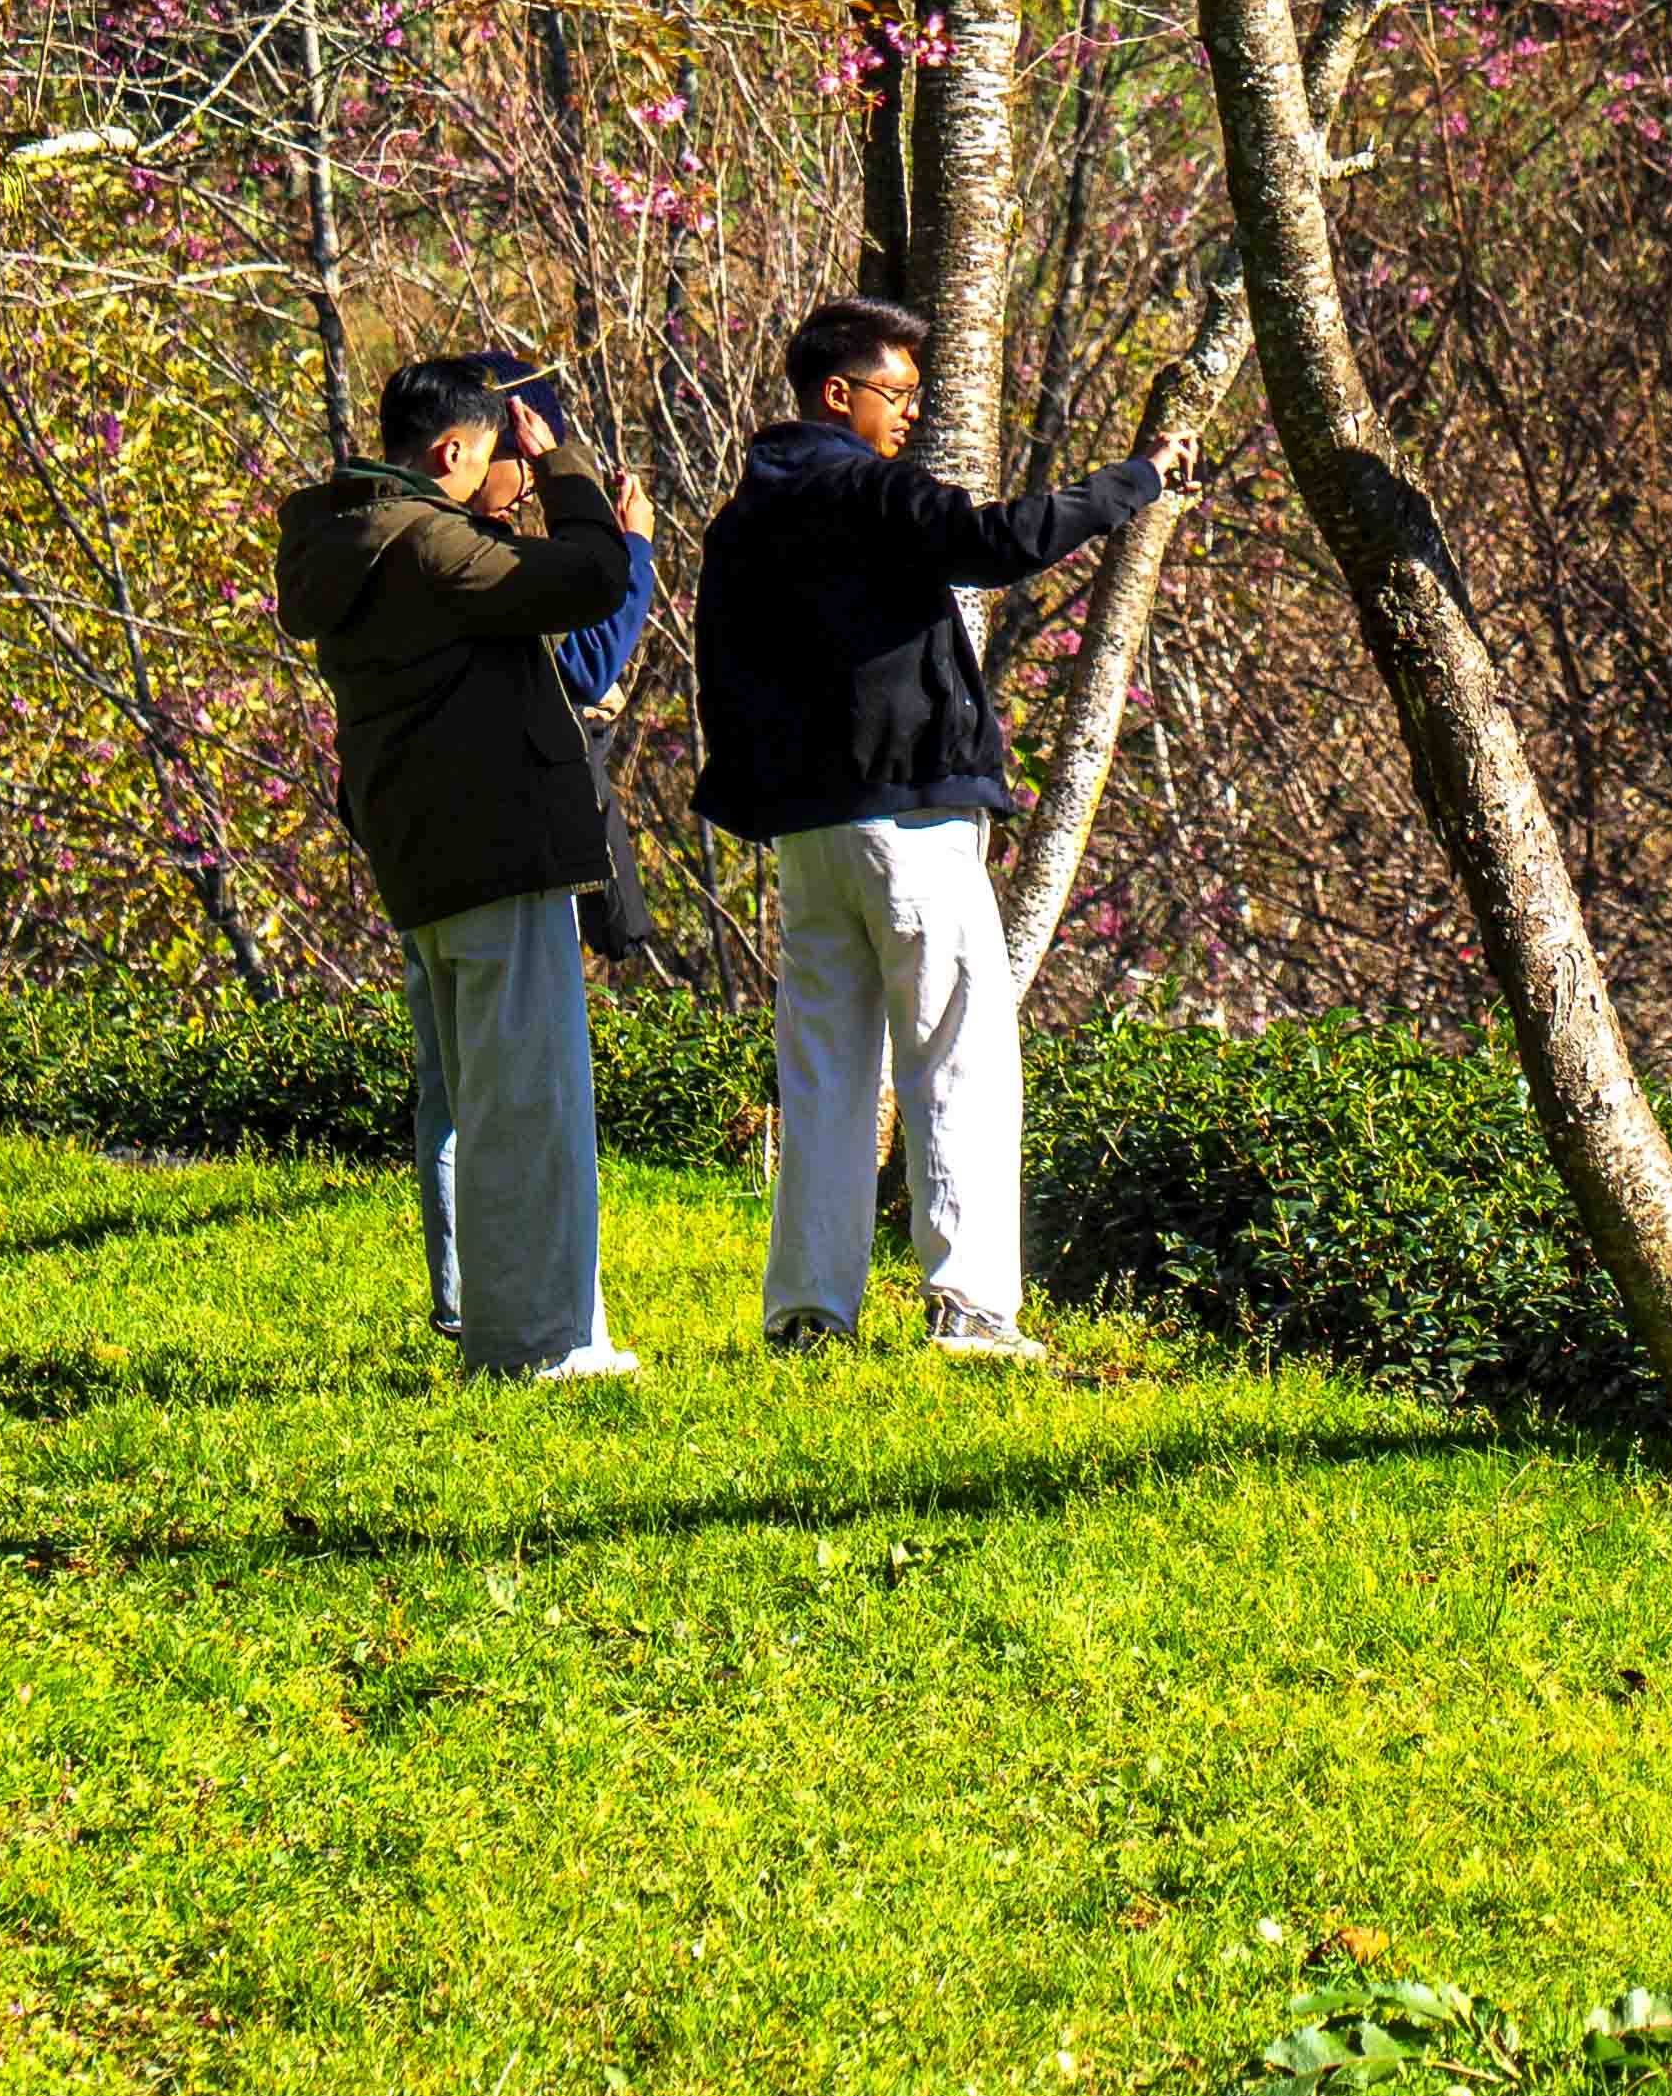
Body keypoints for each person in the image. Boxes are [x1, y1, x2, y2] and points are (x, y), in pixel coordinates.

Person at [689, 295, 1165, 1356]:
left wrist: (755, 795)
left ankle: (808, 1314)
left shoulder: (741, 518)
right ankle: (969, 1308)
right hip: (905, 818)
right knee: (957, 1055)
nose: (908, 415)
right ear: (836, 393)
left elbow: (719, 669)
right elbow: (992, 543)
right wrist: (1130, 482)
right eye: (896, 394)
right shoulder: (865, 487)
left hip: (807, 831)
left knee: (823, 1069)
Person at [276, 346, 651, 1383]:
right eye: (505, 462)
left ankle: (524, 1329)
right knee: (525, 1105)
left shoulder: (354, 540)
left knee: (486, 1100)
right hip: (493, 851)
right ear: (452, 450)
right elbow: (591, 577)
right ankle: (535, 1344)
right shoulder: (430, 549)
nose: (517, 483)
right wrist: (567, 467)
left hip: (434, 854)